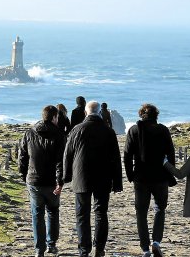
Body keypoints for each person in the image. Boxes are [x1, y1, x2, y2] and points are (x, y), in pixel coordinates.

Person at [63, 101, 123, 257]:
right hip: (103, 178)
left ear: (85, 113)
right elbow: (116, 158)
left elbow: (67, 155)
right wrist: (117, 182)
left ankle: (84, 249)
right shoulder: (108, 131)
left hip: (81, 176)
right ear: (99, 113)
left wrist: (66, 176)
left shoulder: (77, 129)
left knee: (82, 214)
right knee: (101, 213)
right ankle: (100, 247)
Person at [124, 104, 177, 257]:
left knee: (141, 212)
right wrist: (170, 172)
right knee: (160, 209)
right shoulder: (163, 130)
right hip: (160, 177)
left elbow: (127, 155)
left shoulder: (134, 130)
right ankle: (156, 242)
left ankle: (145, 249)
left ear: (142, 115)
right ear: (156, 115)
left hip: (141, 177)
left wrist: (130, 175)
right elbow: (170, 153)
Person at [19, 105, 65, 257]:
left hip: (33, 180)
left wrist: (23, 174)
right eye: (57, 117)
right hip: (51, 182)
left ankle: (39, 248)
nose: (58, 120)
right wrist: (60, 181)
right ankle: (51, 244)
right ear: (53, 117)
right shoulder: (59, 135)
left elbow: (23, 156)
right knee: (53, 212)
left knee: (37, 214)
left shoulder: (29, 133)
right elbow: (61, 161)